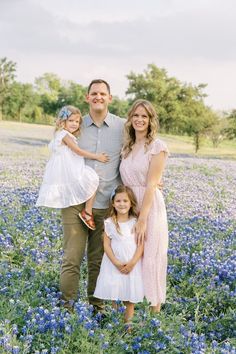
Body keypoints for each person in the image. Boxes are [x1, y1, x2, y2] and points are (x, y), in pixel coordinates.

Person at [59, 80, 125, 312]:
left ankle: (97, 307)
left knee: (98, 260)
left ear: (110, 98)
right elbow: (58, 150)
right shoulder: (75, 125)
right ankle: (65, 308)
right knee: (72, 258)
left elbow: (139, 151)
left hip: (105, 204)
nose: (98, 97)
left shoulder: (122, 126)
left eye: (102, 93)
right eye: (94, 93)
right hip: (75, 203)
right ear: (87, 97)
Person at [120, 99, 169, 313]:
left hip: (150, 208)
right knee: (130, 257)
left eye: (144, 116)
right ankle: (128, 319)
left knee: (151, 259)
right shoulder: (127, 147)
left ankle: (153, 318)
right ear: (130, 119)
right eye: (136, 116)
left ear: (151, 121)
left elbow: (151, 183)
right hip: (128, 207)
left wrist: (142, 218)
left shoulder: (157, 146)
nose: (139, 120)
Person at [36, 105, 109, 231]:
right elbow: (78, 151)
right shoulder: (65, 135)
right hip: (70, 170)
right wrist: (97, 156)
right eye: (71, 121)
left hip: (64, 170)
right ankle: (87, 212)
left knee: (87, 182)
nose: (75, 124)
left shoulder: (60, 134)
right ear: (62, 121)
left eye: (77, 121)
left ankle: (85, 210)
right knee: (92, 179)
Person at [94, 185, 144, 326]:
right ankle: (115, 327)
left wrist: (132, 263)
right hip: (113, 265)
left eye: (125, 201)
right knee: (114, 296)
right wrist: (116, 262)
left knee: (129, 299)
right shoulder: (109, 222)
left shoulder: (136, 222)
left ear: (131, 203)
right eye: (118, 201)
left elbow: (141, 245)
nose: (121, 204)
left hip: (131, 266)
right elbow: (106, 245)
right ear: (113, 203)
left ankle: (127, 329)